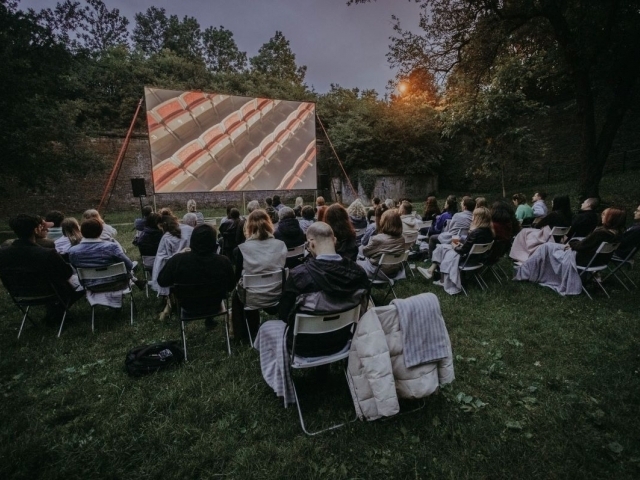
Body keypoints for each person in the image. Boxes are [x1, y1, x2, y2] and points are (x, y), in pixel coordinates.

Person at [277, 222, 369, 356]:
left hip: (304, 346)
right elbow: (363, 309)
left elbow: (284, 314)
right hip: (343, 340)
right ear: (334, 240)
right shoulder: (359, 273)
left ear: (311, 243)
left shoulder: (298, 276)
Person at [515, 208, 626, 294]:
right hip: (596, 261)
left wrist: (572, 244)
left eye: (605, 214)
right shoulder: (617, 235)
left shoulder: (601, 233)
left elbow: (582, 246)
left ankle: (525, 272)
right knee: (548, 246)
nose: (602, 216)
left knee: (545, 247)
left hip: (580, 259)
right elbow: (586, 244)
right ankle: (529, 270)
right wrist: (574, 244)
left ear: (612, 218)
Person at [0, 214, 84, 322]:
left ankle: (54, 312)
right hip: (50, 292)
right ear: (36, 230)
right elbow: (66, 273)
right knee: (82, 281)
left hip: (19, 293)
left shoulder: (3, 253)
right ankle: (58, 311)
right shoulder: (47, 253)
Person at [157, 224, 235, 327]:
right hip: (214, 305)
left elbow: (162, 281)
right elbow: (231, 286)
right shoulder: (223, 261)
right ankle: (209, 319)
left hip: (188, 306)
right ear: (213, 240)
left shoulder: (177, 261)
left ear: (192, 239)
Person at [231, 210, 287, 341]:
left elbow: (237, 277)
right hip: (277, 294)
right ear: (269, 225)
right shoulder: (281, 245)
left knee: (236, 296)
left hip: (251, 297)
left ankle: (243, 334)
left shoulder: (242, 249)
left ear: (248, 227)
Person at [419, 207, 494, 295]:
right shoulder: (489, 232)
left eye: (473, 216)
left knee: (443, 248)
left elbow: (462, 251)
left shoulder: (476, 232)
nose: (472, 217)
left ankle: (439, 277)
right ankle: (431, 270)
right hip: (477, 259)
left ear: (478, 218)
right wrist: (461, 244)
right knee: (443, 247)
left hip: (466, 259)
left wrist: (454, 246)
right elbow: (470, 246)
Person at [357, 209, 406, 279]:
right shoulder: (402, 239)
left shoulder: (378, 239)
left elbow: (365, 252)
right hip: (395, 272)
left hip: (378, 272)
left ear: (384, 223)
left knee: (355, 263)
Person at [152, 215, 191, 298]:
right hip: (192, 266)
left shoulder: (166, 237)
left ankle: (170, 301)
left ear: (164, 226)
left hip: (177, 269)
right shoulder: (189, 229)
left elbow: (161, 259)